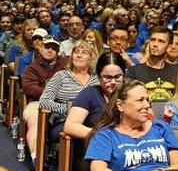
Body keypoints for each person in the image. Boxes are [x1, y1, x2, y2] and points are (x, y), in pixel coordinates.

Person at [36, 40, 97, 160]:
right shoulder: (61, 76)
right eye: (76, 52)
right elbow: (44, 101)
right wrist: (68, 110)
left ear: (90, 58)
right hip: (64, 122)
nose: (78, 55)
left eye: (84, 53)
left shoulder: (96, 79)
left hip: (92, 121)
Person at [20, 33, 68, 162]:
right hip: (38, 102)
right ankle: (37, 158)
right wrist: (52, 93)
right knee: (35, 119)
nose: (50, 50)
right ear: (40, 48)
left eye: (54, 47)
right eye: (47, 47)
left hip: (63, 103)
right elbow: (29, 88)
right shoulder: (32, 68)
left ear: (58, 51)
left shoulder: (66, 64)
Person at [64, 51, 126, 142]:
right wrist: (104, 136)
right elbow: (70, 126)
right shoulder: (89, 94)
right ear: (98, 76)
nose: (113, 82)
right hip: (97, 147)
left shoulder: (131, 92)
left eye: (117, 77)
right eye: (107, 77)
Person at [127, 27, 178, 101]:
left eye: (161, 41)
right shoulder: (134, 71)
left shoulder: (177, 73)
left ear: (169, 47)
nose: (155, 44)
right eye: (153, 40)